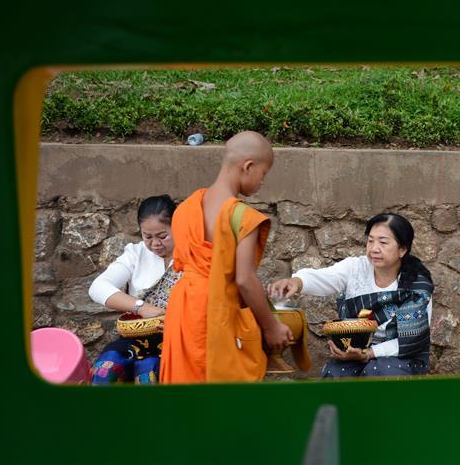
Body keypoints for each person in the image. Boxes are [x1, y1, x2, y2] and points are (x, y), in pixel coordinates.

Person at [159, 131, 292, 384]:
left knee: (185, 384)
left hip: (183, 307)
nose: (262, 182)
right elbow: (244, 279)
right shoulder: (242, 216)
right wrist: (271, 326)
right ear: (248, 166)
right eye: (263, 175)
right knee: (223, 384)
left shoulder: (185, 208)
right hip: (217, 308)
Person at [267, 213, 435, 378]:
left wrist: (370, 353)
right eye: (370, 241)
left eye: (383, 242)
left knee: (380, 371)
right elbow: (325, 277)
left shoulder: (416, 288)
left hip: (402, 354)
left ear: (402, 249)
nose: (374, 248)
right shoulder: (356, 268)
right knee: (337, 372)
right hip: (355, 350)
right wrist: (296, 283)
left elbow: (412, 340)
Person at [88, 195, 180, 384]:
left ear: (178, 226)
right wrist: (142, 307)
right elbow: (98, 287)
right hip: (136, 340)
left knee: (149, 371)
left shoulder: (194, 254)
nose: (155, 243)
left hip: (177, 340)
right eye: (148, 236)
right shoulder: (136, 254)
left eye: (163, 236)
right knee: (106, 368)